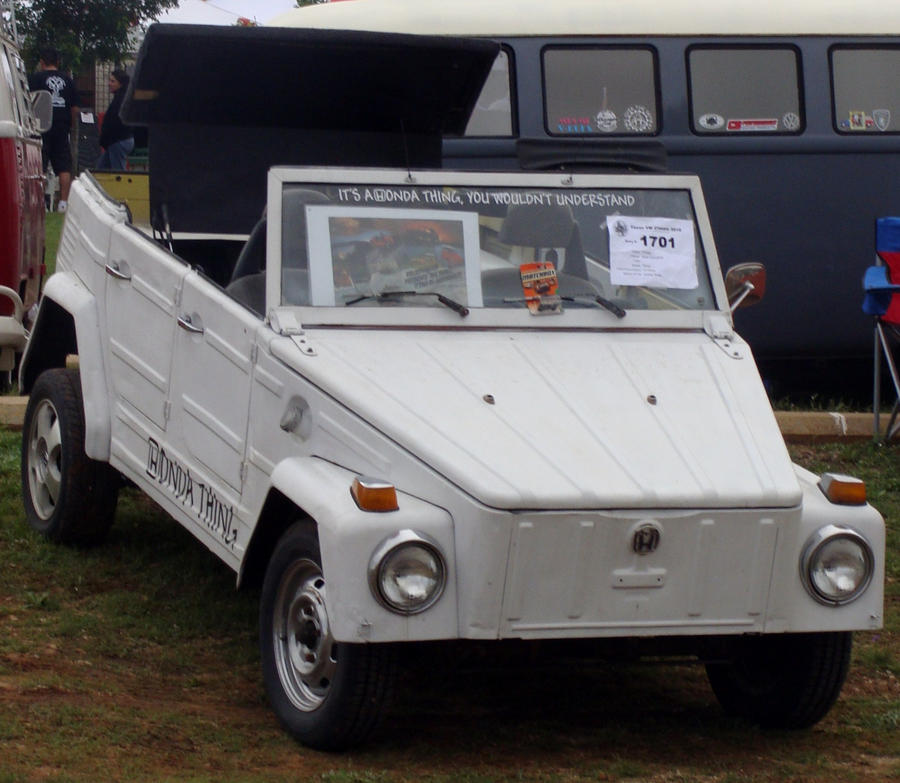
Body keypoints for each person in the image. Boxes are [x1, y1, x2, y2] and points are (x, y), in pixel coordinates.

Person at [28, 47, 79, 212]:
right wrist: (70, 125)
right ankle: (63, 203)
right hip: (62, 126)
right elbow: (75, 109)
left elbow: (28, 101)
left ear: (42, 62)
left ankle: (40, 201)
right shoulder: (68, 80)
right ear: (58, 62)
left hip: (40, 126)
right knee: (63, 165)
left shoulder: (35, 78)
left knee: (39, 165)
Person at [95, 70, 134, 171]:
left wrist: (105, 138)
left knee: (119, 172)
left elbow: (114, 122)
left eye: (113, 81)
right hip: (118, 140)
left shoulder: (120, 100)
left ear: (120, 84)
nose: (109, 84)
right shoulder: (122, 97)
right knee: (101, 168)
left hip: (118, 140)